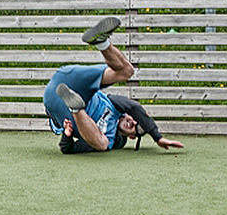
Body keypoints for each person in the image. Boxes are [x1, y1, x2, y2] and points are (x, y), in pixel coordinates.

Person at [43, 17, 184, 154]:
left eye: (137, 129)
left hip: (59, 106)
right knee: (127, 71)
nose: (133, 123)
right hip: (69, 79)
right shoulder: (116, 106)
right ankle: (102, 42)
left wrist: (67, 135)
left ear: (132, 136)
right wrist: (157, 137)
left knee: (103, 145)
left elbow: (68, 149)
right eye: (136, 120)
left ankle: (76, 108)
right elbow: (133, 107)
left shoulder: (109, 137)